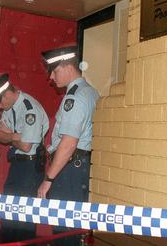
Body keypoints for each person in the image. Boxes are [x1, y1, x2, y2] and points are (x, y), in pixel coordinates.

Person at [36, 46, 99, 246]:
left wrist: (48, 179)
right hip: (79, 169)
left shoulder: (74, 97)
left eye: (54, 71)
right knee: (74, 229)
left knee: (64, 232)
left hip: (69, 170)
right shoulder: (90, 92)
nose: (51, 78)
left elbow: (69, 143)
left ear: (66, 66)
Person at [0, 73, 49, 243]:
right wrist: (14, 136)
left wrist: (10, 135)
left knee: (23, 222)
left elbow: (26, 146)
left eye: (0, 102)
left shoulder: (29, 108)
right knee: (8, 215)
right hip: (17, 167)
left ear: (7, 94)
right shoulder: (10, 108)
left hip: (30, 169)